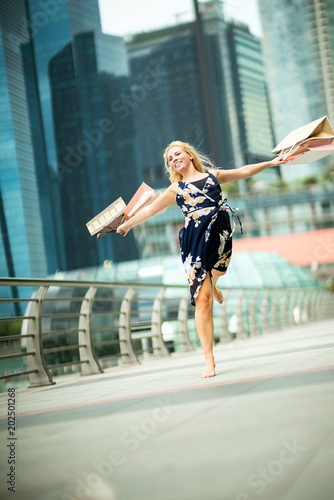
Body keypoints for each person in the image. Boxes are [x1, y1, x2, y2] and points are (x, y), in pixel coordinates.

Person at [117, 141, 286, 378]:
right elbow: (150, 210)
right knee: (202, 301)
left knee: (220, 270)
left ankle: (213, 282)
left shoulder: (212, 176)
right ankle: (209, 360)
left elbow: (243, 172)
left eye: (177, 154)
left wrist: (272, 162)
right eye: (170, 159)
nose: (174, 159)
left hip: (219, 233)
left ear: (189, 155)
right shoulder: (176, 188)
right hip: (194, 241)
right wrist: (127, 224)